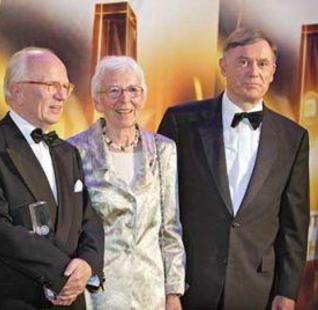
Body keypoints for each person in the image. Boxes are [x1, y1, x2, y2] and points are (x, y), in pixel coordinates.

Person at [158, 28, 310, 310]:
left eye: (262, 63)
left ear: (273, 70)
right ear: (223, 66)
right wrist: (168, 288)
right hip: (189, 286)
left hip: (257, 290)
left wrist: (287, 291)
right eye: (243, 61)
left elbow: (294, 225)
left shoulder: (294, 138)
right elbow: (159, 209)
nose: (254, 71)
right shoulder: (181, 122)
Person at [0, 47, 104, 309]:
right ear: (17, 91)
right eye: (51, 85)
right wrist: (64, 274)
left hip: (71, 299)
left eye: (65, 86)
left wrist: (87, 263)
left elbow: (88, 218)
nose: (62, 95)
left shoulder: (68, 152)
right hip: (15, 299)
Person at [69, 56, 185, 310]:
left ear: (143, 97)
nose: (125, 100)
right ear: (98, 100)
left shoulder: (164, 149)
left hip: (150, 294)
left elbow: (170, 227)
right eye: (114, 91)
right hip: (97, 293)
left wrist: (173, 292)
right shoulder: (74, 151)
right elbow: (70, 229)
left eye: (133, 90)